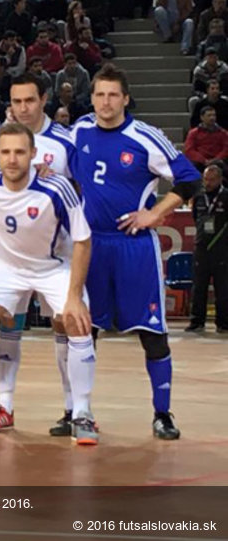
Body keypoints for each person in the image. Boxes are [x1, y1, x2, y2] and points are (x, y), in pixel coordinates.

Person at [70, 64, 201, 441]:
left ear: (125, 98)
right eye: (99, 94)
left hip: (132, 247)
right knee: (84, 329)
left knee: (152, 331)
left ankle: (162, 413)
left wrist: (155, 214)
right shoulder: (78, 131)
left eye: (113, 94)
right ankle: (78, 412)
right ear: (91, 97)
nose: (105, 102)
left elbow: (189, 179)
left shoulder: (145, 137)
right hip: (90, 244)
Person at [0, 122, 96, 443]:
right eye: (5, 152)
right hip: (6, 266)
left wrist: (74, 296)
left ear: (34, 154)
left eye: (20, 152)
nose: (12, 159)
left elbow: (83, 241)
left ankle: (83, 414)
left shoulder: (57, 187)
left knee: (77, 322)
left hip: (51, 266)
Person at [0, 73, 79, 433]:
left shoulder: (64, 141)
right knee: (9, 323)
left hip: (56, 251)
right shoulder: (3, 136)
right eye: (16, 101)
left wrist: (50, 179)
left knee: (65, 325)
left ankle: (74, 409)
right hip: (12, 248)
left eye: (29, 100)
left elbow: (80, 186)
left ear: (44, 99)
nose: (22, 108)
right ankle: (4, 405)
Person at [186, 164, 228, 333]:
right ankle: (197, 321)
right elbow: (196, 217)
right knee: (199, 287)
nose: (208, 183)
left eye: (211, 180)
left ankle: (223, 323)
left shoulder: (226, 196)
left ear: (219, 179)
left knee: (223, 287)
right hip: (202, 248)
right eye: (206, 179)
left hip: (222, 249)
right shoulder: (199, 196)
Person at [184, 104, 228, 171]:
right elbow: (189, 150)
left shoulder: (223, 133)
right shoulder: (193, 133)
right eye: (209, 115)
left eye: (214, 115)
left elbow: (226, 149)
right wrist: (203, 160)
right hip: (199, 162)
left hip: (218, 161)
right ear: (202, 117)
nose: (212, 118)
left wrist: (216, 159)